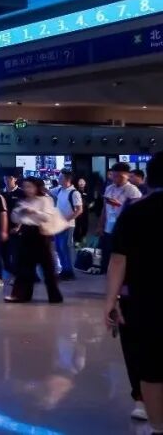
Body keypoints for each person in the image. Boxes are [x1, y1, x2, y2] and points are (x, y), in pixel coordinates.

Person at [105, 152, 163, 428]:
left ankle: (158, 426)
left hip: (143, 300)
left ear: (149, 178)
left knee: (150, 367)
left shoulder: (135, 211)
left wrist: (110, 301)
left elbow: (118, 260)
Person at [5, 177, 63, 304]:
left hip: (41, 234)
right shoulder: (23, 200)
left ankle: (54, 296)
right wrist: (21, 212)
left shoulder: (45, 200)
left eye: (30, 186)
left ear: (37, 187)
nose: (27, 189)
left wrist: (33, 212)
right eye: (25, 187)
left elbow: (47, 217)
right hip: (26, 232)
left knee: (47, 267)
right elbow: (14, 217)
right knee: (23, 266)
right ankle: (21, 295)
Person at [97, 162, 142, 274]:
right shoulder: (109, 188)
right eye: (114, 175)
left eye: (120, 176)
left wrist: (119, 204)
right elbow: (104, 208)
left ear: (127, 175)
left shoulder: (132, 190)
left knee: (122, 257)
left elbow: (138, 211)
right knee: (107, 256)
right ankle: (109, 278)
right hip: (109, 228)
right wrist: (100, 225)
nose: (116, 179)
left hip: (124, 230)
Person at [53, 169, 82, 281]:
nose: (58, 179)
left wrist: (66, 220)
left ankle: (69, 272)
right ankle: (64, 270)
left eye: (60, 177)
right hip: (58, 225)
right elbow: (47, 191)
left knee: (65, 248)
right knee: (59, 248)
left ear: (67, 179)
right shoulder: (59, 190)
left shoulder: (74, 193)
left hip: (68, 225)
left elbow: (79, 210)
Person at [1, 174, 27, 276]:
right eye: (5, 178)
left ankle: (18, 274)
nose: (7, 180)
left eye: (10, 178)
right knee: (4, 253)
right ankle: (10, 271)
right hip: (3, 227)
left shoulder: (21, 193)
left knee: (16, 252)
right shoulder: (1, 193)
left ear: (15, 179)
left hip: (17, 227)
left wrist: (18, 226)